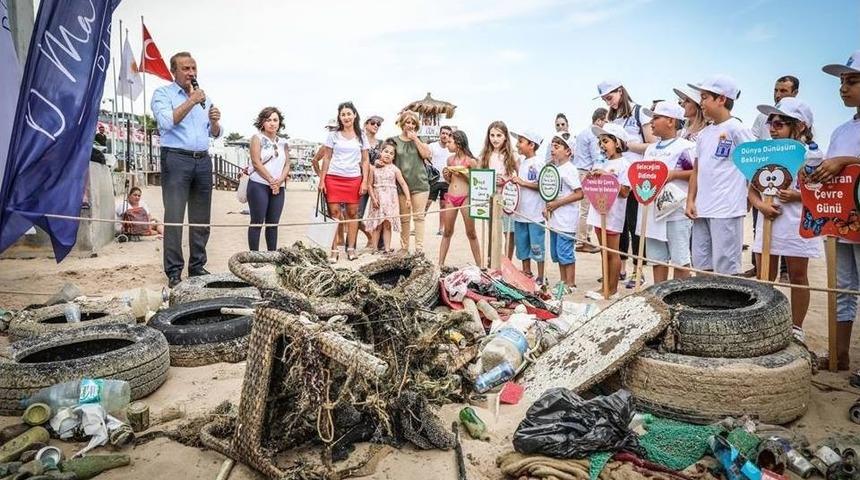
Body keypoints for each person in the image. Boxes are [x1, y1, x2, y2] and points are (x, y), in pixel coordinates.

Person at [804, 50, 860, 370]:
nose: (843, 88)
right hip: (840, 223)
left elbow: (846, 167)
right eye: (842, 81)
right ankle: (839, 356)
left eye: (852, 81)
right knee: (841, 289)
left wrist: (847, 162)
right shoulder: (840, 131)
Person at [749, 98, 822, 341]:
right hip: (768, 220)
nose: (772, 128)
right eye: (771, 122)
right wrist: (760, 205)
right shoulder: (765, 152)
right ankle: (760, 323)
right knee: (764, 276)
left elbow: (823, 190)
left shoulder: (813, 155)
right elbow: (750, 186)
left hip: (797, 222)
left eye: (779, 123)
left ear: (799, 126)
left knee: (798, 276)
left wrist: (798, 195)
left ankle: (796, 329)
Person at [151, 51, 222, 288]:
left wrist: (214, 122)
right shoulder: (163, 94)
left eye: (193, 68)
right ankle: (173, 271)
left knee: (201, 218)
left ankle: (197, 266)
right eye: (186, 69)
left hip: (202, 160)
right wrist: (191, 100)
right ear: (174, 71)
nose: (191, 73)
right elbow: (166, 122)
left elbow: (213, 133)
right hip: (176, 159)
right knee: (174, 217)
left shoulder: (205, 97)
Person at [685, 75, 755, 275]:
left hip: (727, 209)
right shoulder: (704, 134)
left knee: (726, 267)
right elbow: (697, 170)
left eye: (705, 97)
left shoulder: (738, 129)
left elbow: (754, 167)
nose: (701, 103)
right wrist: (690, 200)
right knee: (701, 265)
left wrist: (750, 197)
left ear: (721, 99)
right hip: (702, 209)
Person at [597, 80, 656, 288]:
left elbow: (652, 144)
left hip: (636, 177)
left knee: (634, 224)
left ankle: (637, 270)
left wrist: (628, 145)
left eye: (610, 97)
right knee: (617, 225)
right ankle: (619, 268)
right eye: (604, 99)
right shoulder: (611, 117)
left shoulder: (640, 112)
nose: (608, 102)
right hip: (615, 174)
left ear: (620, 92)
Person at [639, 101, 695, 283]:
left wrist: (673, 175)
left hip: (676, 212)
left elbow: (696, 173)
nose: (651, 122)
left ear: (671, 121)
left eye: (656, 117)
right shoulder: (650, 149)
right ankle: (659, 298)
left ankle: (680, 298)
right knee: (658, 259)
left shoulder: (685, 147)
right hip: (653, 212)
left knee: (680, 259)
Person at [585, 123, 632, 300]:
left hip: (613, 215)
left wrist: (607, 177)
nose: (602, 145)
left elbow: (625, 192)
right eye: (600, 142)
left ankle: (611, 290)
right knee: (604, 251)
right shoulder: (601, 162)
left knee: (612, 252)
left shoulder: (624, 164)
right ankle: (605, 287)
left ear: (617, 142)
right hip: (598, 212)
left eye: (605, 141)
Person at [319, 101, 370, 262]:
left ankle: (351, 248)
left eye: (349, 113)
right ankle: (334, 250)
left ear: (354, 115)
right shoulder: (333, 135)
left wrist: (365, 182)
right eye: (343, 114)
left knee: (352, 214)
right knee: (334, 214)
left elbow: (365, 161)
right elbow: (326, 158)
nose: (346, 117)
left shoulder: (362, 136)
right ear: (339, 118)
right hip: (333, 177)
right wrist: (322, 181)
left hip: (354, 178)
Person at [544, 134, 583, 294]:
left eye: (557, 147)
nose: (553, 149)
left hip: (566, 219)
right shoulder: (555, 169)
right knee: (558, 253)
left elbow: (579, 193)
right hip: (555, 219)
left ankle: (571, 283)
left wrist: (557, 204)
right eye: (552, 146)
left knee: (566, 252)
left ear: (568, 151)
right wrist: (548, 207)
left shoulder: (570, 170)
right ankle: (563, 280)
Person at [247, 107, 290, 251]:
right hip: (259, 184)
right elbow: (256, 162)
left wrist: (279, 181)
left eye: (275, 120)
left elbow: (287, 164)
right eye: (268, 120)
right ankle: (254, 255)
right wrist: (271, 180)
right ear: (262, 122)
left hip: (279, 186)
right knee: (257, 221)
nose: (272, 123)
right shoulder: (257, 138)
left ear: (280, 122)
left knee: (273, 223)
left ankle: (271, 255)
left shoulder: (283, 142)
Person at [388, 110, 431, 253]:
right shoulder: (394, 140)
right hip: (401, 186)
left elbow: (426, 155)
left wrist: (415, 139)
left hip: (420, 183)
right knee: (404, 219)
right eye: (408, 122)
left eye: (413, 123)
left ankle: (419, 248)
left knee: (419, 217)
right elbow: (388, 158)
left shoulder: (422, 139)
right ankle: (404, 247)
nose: (410, 125)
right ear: (402, 123)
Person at [438, 130, 482, 267]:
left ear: (458, 143)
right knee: (447, 231)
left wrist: (463, 174)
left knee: (471, 232)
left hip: (466, 197)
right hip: (451, 197)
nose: (447, 144)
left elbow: (477, 182)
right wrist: (447, 175)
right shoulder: (449, 160)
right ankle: (440, 264)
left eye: (450, 142)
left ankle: (480, 265)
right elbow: (449, 181)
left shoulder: (471, 161)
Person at [510, 129, 546, 285]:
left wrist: (522, 182)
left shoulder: (538, 163)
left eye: (521, 142)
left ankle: (541, 276)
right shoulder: (523, 163)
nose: (518, 145)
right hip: (521, 213)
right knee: (522, 245)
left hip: (535, 214)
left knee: (537, 245)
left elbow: (542, 185)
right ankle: (526, 272)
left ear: (531, 145)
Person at [480, 121, 519, 260]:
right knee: (492, 231)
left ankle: (507, 261)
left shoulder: (512, 155)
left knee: (509, 231)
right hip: (491, 198)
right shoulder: (485, 155)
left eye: (498, 135)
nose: (495, 139)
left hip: (508, 197)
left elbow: (518, 175)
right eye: (492, 135)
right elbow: (481, 176)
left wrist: (506, 180)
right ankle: (492, 259)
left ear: (505, 137)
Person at [365, 140, 411, 254]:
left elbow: (403, 183)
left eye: (391, 153)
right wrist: (373, 198)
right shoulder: (374, 168)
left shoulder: (395, 169)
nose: (388, 154)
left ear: (394, 157)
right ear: (381, 152)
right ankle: (375, 248)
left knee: (387, 224)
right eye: (386, 151)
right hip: (378, 199)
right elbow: (369, 185)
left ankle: (386, 248)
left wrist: (408, 198)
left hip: (391, 200)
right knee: (377, 225)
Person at [573, 108, 608, 254]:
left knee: (584, 209)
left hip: (580, 171)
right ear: (599, 120)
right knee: (586, 210)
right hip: (588, 172)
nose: (606, 124)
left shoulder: (582, 133)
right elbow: (596, 157)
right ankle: (582, 240)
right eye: (605, 121)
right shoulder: (593, 135)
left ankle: (583, 238)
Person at [357, 115, 384, 249]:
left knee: (378, 214)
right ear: (366, 124)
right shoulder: (358, 140)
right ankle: (367, 237)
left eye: (378, 124)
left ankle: (378, 244)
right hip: (360, 180)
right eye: (373, 123)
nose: (376, 125)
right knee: (356, 214)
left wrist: (381, 163)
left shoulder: (381, 143)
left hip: (377, 182)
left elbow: (387, 159)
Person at [751, 75, 800, 140]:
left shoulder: (802, 119)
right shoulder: (762, 117)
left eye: (783, 91)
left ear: (795, 93)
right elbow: (752, 143)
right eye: (776, 90)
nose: (777, 95)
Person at [427, 126, 454, 235]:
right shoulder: (432, 146)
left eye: (447, 134)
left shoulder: (451, 149)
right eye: (443, 133)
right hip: (434, 179)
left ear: (450, 136)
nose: (445, 135)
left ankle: (441, 228)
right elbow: (425, 157)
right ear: (440, 134)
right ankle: (417, 226)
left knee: (443, 205)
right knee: (427, 202)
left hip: (446, 181)